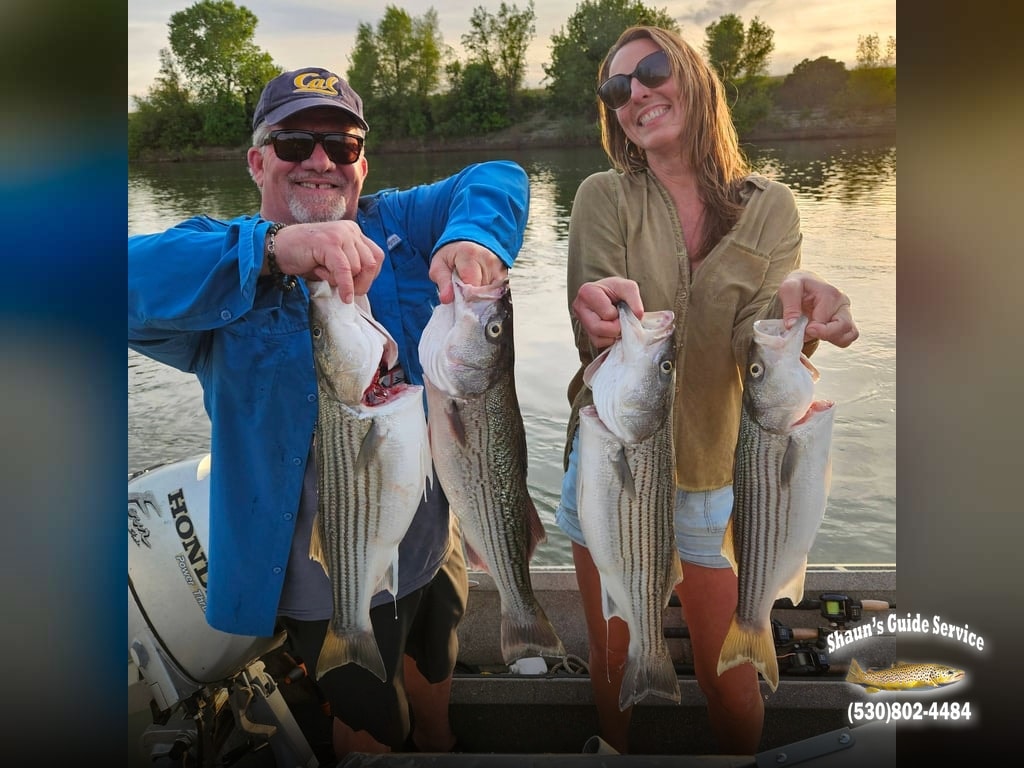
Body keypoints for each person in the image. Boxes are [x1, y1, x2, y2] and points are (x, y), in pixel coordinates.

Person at [128, 67, 530, 759]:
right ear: (257, 161)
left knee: (434, 667)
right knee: (372, 720)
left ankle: (440, 742)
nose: (320, 160)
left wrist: (477, 239)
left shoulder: (399, 223)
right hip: (329, 573)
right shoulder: (215, 263)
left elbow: (497, 176)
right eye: (293, 142)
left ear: (361, 166)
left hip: (433, 536)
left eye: (341, 146)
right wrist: (274, 250)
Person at [554, 27, 859, 755]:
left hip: (722, 477)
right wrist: (597, 313)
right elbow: (592, 328)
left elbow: (754, 342)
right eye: (616, 88)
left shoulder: (771, 207)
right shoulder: (602, 196)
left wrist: (799, 312)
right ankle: (613, 750)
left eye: (652, 70)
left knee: (732, 672)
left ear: (693, 76)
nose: (636, 94)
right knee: (615, 656)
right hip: (613, 467)